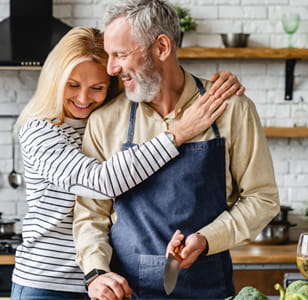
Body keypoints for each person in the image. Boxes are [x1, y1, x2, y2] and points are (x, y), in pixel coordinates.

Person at [10, 26, 244, 300]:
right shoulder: (40, 131)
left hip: (106, 282)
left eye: (96, 88)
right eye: (72, 85)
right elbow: (101, 183)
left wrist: (214, 86)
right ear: (54, 80)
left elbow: (160, 79)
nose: (83, 98)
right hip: (50, 284)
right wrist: (179, 133)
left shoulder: (104, 120)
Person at [73, 1, 280, 300]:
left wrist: (207, 239)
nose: (111, 69)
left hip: (210, 289)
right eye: (109, 56)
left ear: (161, 47)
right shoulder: (106, 120)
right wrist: (96, 272)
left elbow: (262, 199)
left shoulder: (232, 110)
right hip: (126, 293)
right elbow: (91, 212)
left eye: (120, 54)